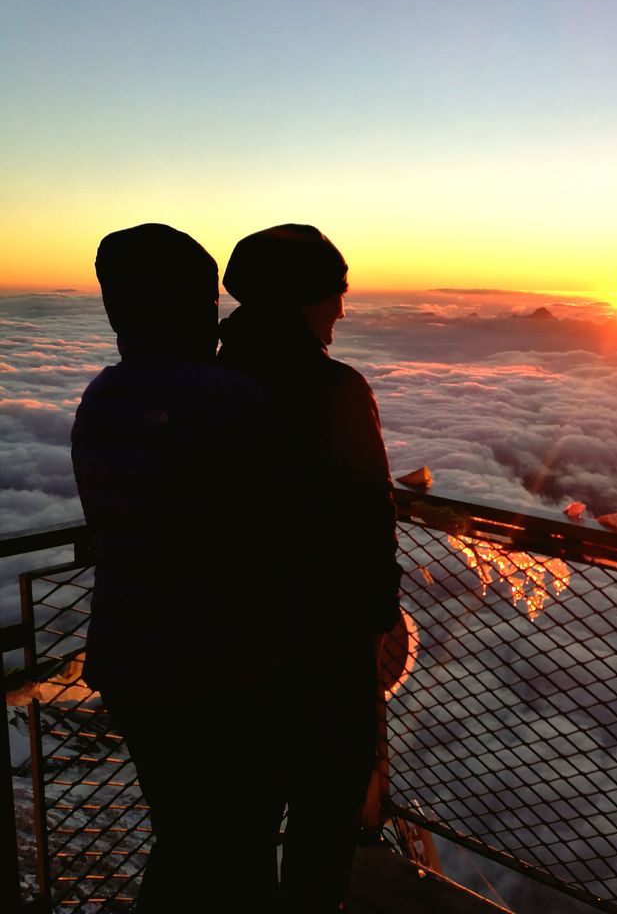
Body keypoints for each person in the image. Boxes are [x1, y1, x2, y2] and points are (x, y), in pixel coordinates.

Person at [71, 223, 284, 913]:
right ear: (203, 305)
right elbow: (277, 526)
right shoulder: (233, 398)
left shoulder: (104, 395)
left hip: (130, 660)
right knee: (239, 839)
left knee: (185, 834)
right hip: (221, 664)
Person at [217, 224, 402, 913]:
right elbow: (367, 516)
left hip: (227, 647)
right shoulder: (333, 389)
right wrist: (378, 622)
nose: (342, 311)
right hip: (323, 646)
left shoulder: (210, 382)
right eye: (335, 294)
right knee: (324, 818)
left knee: (242, 822)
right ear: (301, 299)